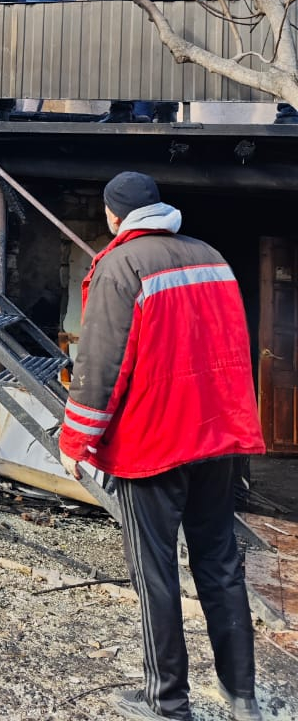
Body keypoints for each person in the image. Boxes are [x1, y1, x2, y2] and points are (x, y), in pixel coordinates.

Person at [59, 171, 265, 721]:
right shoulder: (211, 256)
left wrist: (75, 439)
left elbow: (102, 364)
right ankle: (242, 695)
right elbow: (234, 342)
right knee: (220, 564)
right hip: (219, 436)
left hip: (153, 445)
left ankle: (168, 705)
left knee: (155, 574)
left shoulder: (120, 266)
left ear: (112, 215)